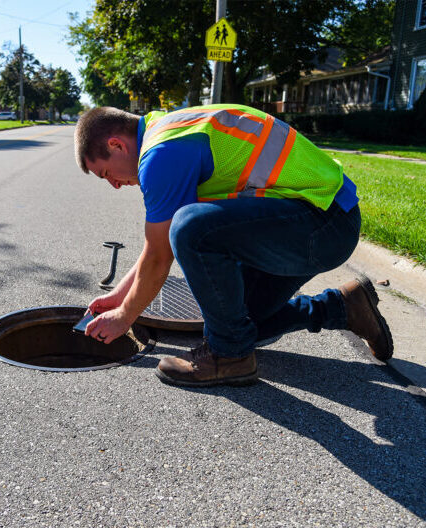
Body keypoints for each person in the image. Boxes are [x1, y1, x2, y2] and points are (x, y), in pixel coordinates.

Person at [73, 104, 393, 387]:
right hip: (315, 221)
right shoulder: (164, 129)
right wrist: (118, 298)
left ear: (116, 144)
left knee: (190, 228)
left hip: (324, 225)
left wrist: (124, 316)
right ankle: (343, 307)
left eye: (106, 173)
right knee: (234, 320)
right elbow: (153, 248)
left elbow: (160, 256)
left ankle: (229, 357)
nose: (115, 185)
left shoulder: (161, 154)